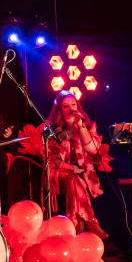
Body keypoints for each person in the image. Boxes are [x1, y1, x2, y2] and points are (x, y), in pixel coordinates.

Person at [44, 92, 109, 239]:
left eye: (73, 104)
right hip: (61, 171)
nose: (71, 108)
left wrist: (81, 127)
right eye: (66, 106)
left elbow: (92, 149)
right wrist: (72, 168)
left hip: (84, 172)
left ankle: (75, 226)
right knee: (73, 179)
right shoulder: (53, 130)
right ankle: (91, 221)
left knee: (75, 182)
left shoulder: (89, 126)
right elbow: (53, 160)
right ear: (60, 110)